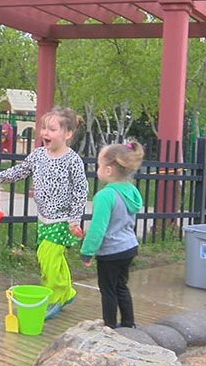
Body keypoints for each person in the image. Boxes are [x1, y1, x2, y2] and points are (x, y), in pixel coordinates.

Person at [0, 107, 88, 320]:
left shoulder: (72, 160)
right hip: (44, 218)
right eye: (43, 128)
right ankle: (67, 291)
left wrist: (75, 219)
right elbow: (19, 171)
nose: (45, 133)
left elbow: (81, 189)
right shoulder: (38, 155)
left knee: (46, 257)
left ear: (67, 134)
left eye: (52, 129)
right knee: (54, 257)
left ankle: (54, 298)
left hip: (62, 220)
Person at [80, 139, 144, 329]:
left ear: (108, 170)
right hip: (129, 247)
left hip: (111, 252)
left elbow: (98, 228)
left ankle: (109, 326)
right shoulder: (132, 191)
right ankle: (128, 323)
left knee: (108, 291)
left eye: (99, 165)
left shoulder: (104, 196)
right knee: (121, 287)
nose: (97, 169)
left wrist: (87, 251)